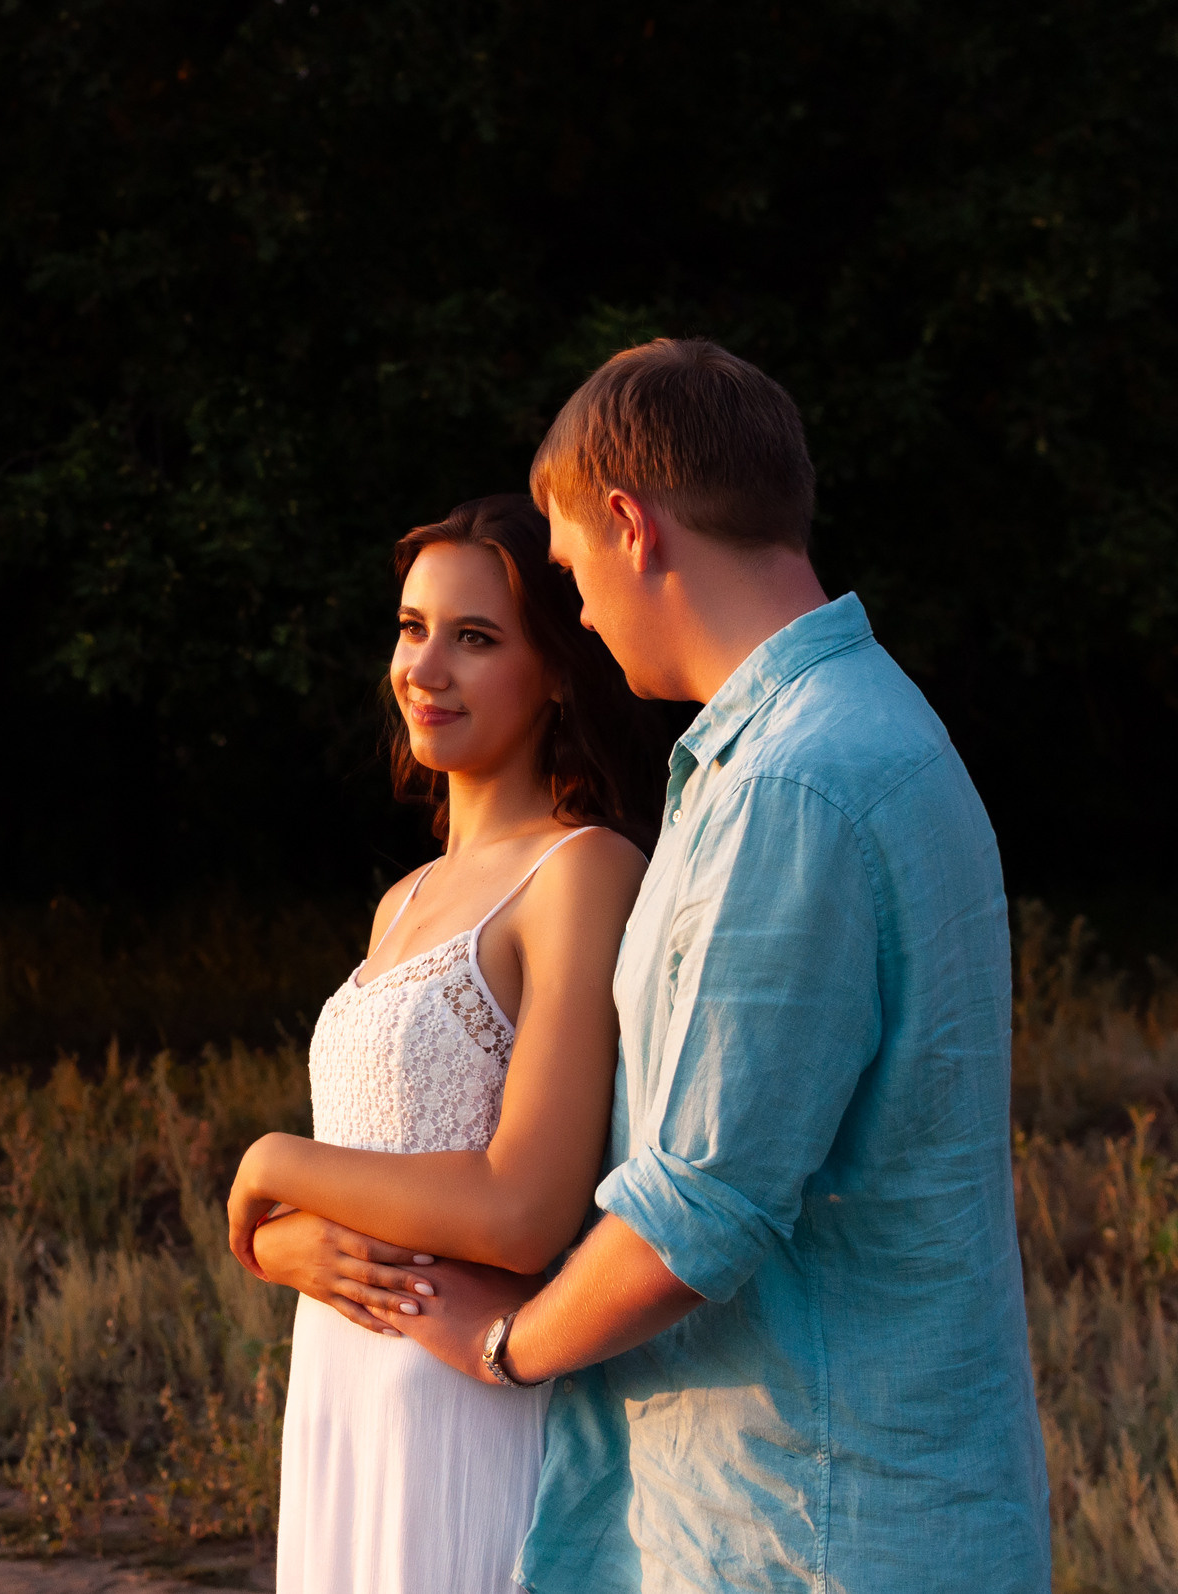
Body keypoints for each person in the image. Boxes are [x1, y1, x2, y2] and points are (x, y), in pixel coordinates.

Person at [360, 339, 1052, 1590]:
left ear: (632, 524)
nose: (575, 612)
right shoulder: (854, 732)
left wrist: (507, 1345)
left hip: (809, 1525)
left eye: (569, 570)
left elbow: (697, 1213)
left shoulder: (793, 780)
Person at [225, 493, 670, 1593]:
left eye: (475, 638)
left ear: (559, 669)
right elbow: (377, 1170)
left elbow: (524, 1212)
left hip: (460, 1410)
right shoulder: (403, 900)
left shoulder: (583, 870)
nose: (426, 667)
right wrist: (278, 1242)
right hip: (342, 1395)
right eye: (413, 626)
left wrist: (271, 1168)